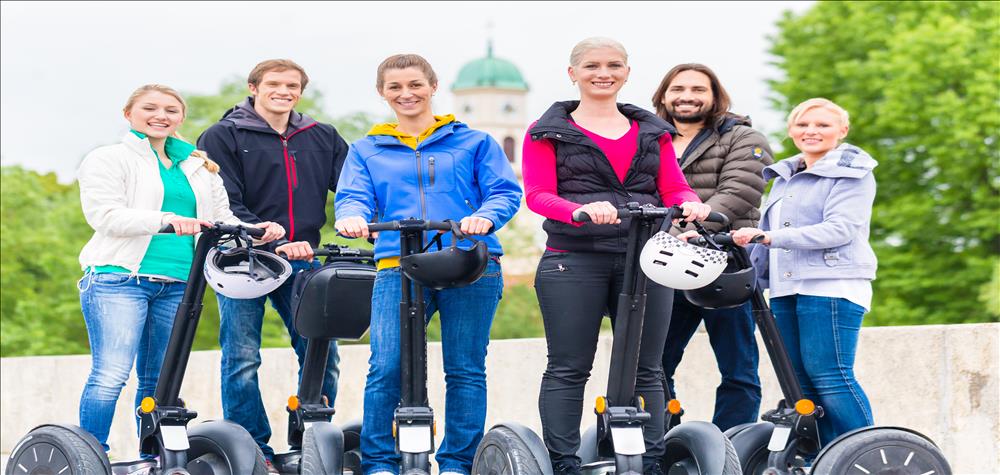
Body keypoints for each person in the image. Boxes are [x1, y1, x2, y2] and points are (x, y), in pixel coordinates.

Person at [522, 38, 711, 474]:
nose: (602, 73)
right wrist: (578, 210)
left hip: (646, 259)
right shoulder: (545, 131)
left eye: (614, 65)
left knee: (649, 369)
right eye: (591, 65)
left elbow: (674, 187)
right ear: (573, 73)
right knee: (569, 368)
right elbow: (537, 194)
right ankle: (564, 465)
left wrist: (691, 202)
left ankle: (650, 463)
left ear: (627, 72)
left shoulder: (653, 132)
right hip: (574, 258)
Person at [335, 53, 522, 475]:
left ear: (433, 87)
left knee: (465, 367)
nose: (407, 94)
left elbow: (504, 191)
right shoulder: (367, 149)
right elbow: (354, 196)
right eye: (395, 87)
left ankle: (457, 463)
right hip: (398, 266)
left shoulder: (474, 142)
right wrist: (351, 217)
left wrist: (484, 217)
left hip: (469, 263)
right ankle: (380, 463)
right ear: (382, 93)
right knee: (385, 366)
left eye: (416, 84)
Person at [77, 84, 284, 454]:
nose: (161, 116)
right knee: (110, 375)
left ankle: (152, 457)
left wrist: (259, 231)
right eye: (150, 108)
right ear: (129, 114)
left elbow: (221, 218)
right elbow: (105, 215)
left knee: (159, 380)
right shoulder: (108, 159)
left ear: (181, 118)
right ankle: (90, 454)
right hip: (118, 278)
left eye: (171, 110)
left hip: (179, 283)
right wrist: (168, 220)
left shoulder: (199, 166)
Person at [196, 59, 348, 468]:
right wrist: (260, 230)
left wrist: (360, 222)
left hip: (302, 258)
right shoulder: (223, 135)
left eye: (293, 85)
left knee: (321, 352)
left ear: (301, 91)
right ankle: (252, 450)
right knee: (242, 356)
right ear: (254, 87)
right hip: (240, 257)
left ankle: (306, 442)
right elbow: (222, 197)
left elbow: (352, 187)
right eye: (275, 84)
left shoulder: (321, 136)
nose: (284, 91)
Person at [730, 97, 877, 446]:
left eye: (823, 125)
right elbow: (764, 238)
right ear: (791, 130)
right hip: (785, 289)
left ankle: (866, 452)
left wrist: (770, 237)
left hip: (831, 287)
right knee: (801, 383)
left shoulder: (853, 174)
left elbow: (840, 229)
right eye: (803, 124)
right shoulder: (784, 177)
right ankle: (827, 459)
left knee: (830, 375)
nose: (811, 131)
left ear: (842, 131)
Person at [651, 63, 771, 431]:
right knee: (655, 365)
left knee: (738, 368)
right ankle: (668, 441)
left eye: (698, 89)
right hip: (666, 266)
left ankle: (728, 447)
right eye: (678, 89)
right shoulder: (650, 140)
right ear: (664, 96)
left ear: (714, 96)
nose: (687, 96)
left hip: (725, 266)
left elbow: (739, 191)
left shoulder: (744, 138)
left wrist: (693, 227)